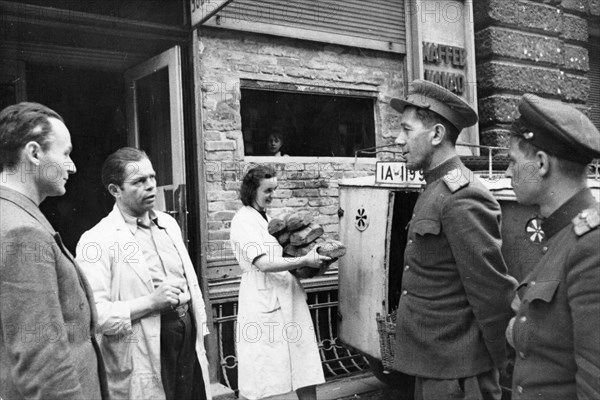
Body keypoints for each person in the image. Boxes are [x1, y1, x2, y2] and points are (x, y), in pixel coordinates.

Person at [390, 80, 517, 400]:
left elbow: (491, 291)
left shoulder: (462, 196)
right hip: (435, 366)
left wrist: (499, 366)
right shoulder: (435, 189)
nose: (398, 139)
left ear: (436, 134)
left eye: (406, 130)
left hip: (460, 375)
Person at [75, 147, 211, 400]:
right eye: (139, 181)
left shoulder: (168, 224)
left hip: (187, 337)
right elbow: (97, 316)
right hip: (145, 344)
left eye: (152, 177)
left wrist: (201, 332)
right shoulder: (97, 240)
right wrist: (151, 303)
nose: (151, 186)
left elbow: (191, 285)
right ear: (115, 190)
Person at [0, 102, 108, 399]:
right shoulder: (23, 232)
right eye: (65, 153)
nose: (72, 166)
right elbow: (43, 366)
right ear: (34, 154)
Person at [505, 94, 600, 399]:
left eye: (512, 162)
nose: (508, 173)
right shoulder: (562, 237)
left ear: (542, 163)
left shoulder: (591, 247)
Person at [229, 165, 331, 400]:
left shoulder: (269, 219)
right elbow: (263, 264)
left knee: (304, 364)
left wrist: (310, 264)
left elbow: (284, 257)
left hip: (288, 294)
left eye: (274, 190)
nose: (272, 196)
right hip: (262, 297)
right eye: (267, 190)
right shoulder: (243, 220)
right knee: (266, 368)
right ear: (252, 190)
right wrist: (304, 260)